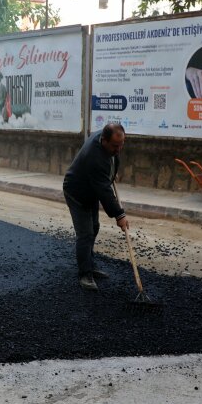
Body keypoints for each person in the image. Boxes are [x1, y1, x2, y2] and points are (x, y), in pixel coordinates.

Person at [62, 123, 131, 291]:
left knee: (95, 226)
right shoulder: (95, 159)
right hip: (77, 192)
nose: (119, 149)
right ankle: (85, 274)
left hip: (91, 189)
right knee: (85, 234)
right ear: (104, 140)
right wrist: (119, 215)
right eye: (115, 146)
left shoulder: (106, 138)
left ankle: (90, 263)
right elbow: (105, 192)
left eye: (122, 144)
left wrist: (112, 173)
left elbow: (109, 167)